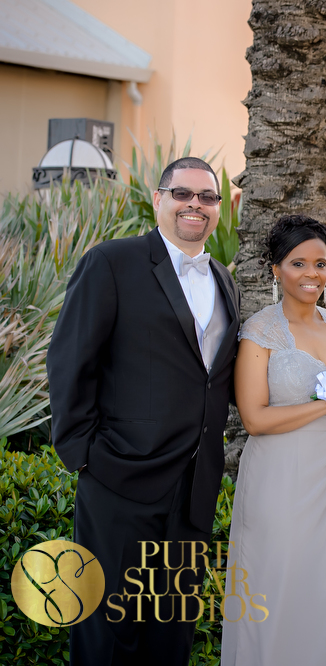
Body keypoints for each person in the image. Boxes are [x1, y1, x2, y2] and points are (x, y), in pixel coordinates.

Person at [47, 157, 240, 665]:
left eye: (207, 197)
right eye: (183, 194)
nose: (194, 205)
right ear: (159, 199)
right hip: (119, 479)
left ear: (219, 208)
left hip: (194, 488)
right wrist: (82, 454)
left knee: (171, 634)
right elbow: (70, 359)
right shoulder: (111, 262)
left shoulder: (225, 281)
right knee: (106, 634)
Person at [220, 215, 326, 665]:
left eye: (321, 264)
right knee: (280, 584)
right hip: (281, 479)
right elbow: (254, 419)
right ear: (275, 269)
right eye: (298, 263)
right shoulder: (260, 333)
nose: (312, 274)